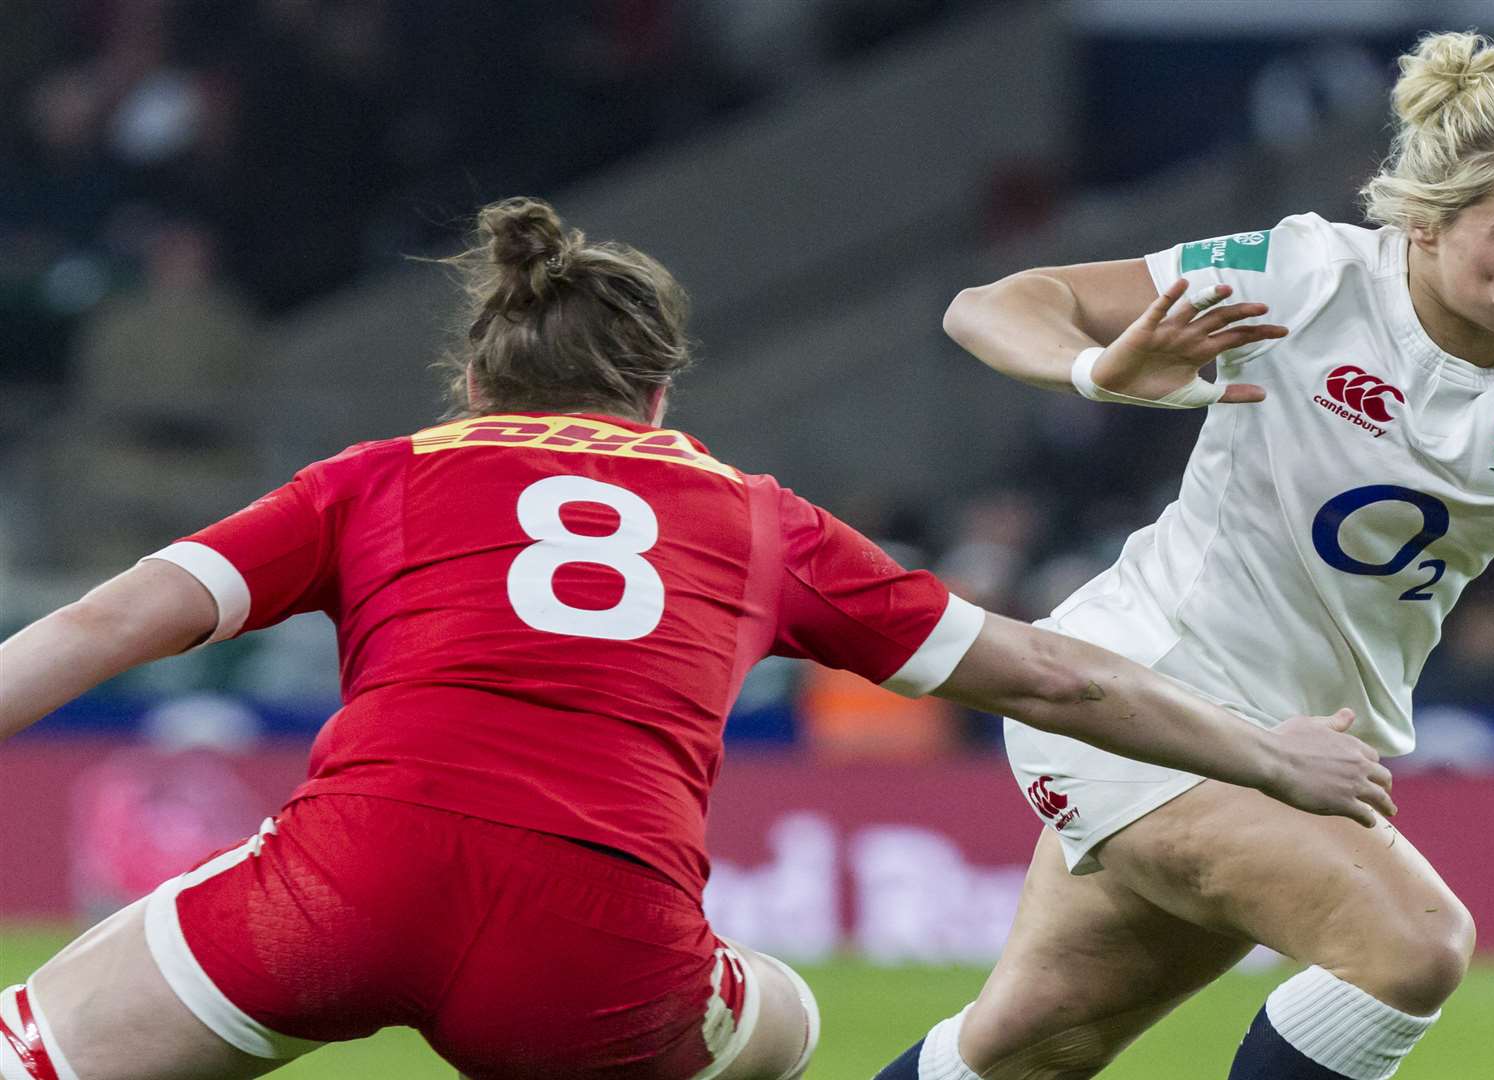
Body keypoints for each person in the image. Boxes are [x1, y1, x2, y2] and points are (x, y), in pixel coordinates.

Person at [0, 198, 1398, 1080]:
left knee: (46, 1039)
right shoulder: (757, 520)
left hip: (348, 883)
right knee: (777, 1019)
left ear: (477, 377)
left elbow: (108, 623)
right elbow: (1056, 672)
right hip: (599, 948)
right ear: (660, 396)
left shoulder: (379, 474)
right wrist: (1271, 760)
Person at [874, 31, 1494, 1080]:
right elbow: (994, 306)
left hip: (1302, 745)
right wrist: (1095, 368)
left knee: (1027, 1049)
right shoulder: (1309, 278)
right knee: (1412, 945)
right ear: (1424, 222)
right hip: (1142, 697)